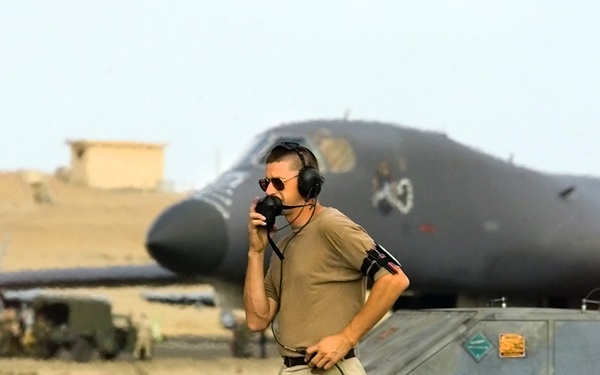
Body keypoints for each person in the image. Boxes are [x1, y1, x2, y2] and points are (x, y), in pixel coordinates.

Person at [244, 142, 410, 374]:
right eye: (266, 183)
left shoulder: (332, 225)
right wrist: (256, 252)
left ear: (308, 184)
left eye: (279, 183)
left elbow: (395, 279)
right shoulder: (283, 245)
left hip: (331, 369)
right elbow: (257, 321)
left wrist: (345, 340)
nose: (270, 192)